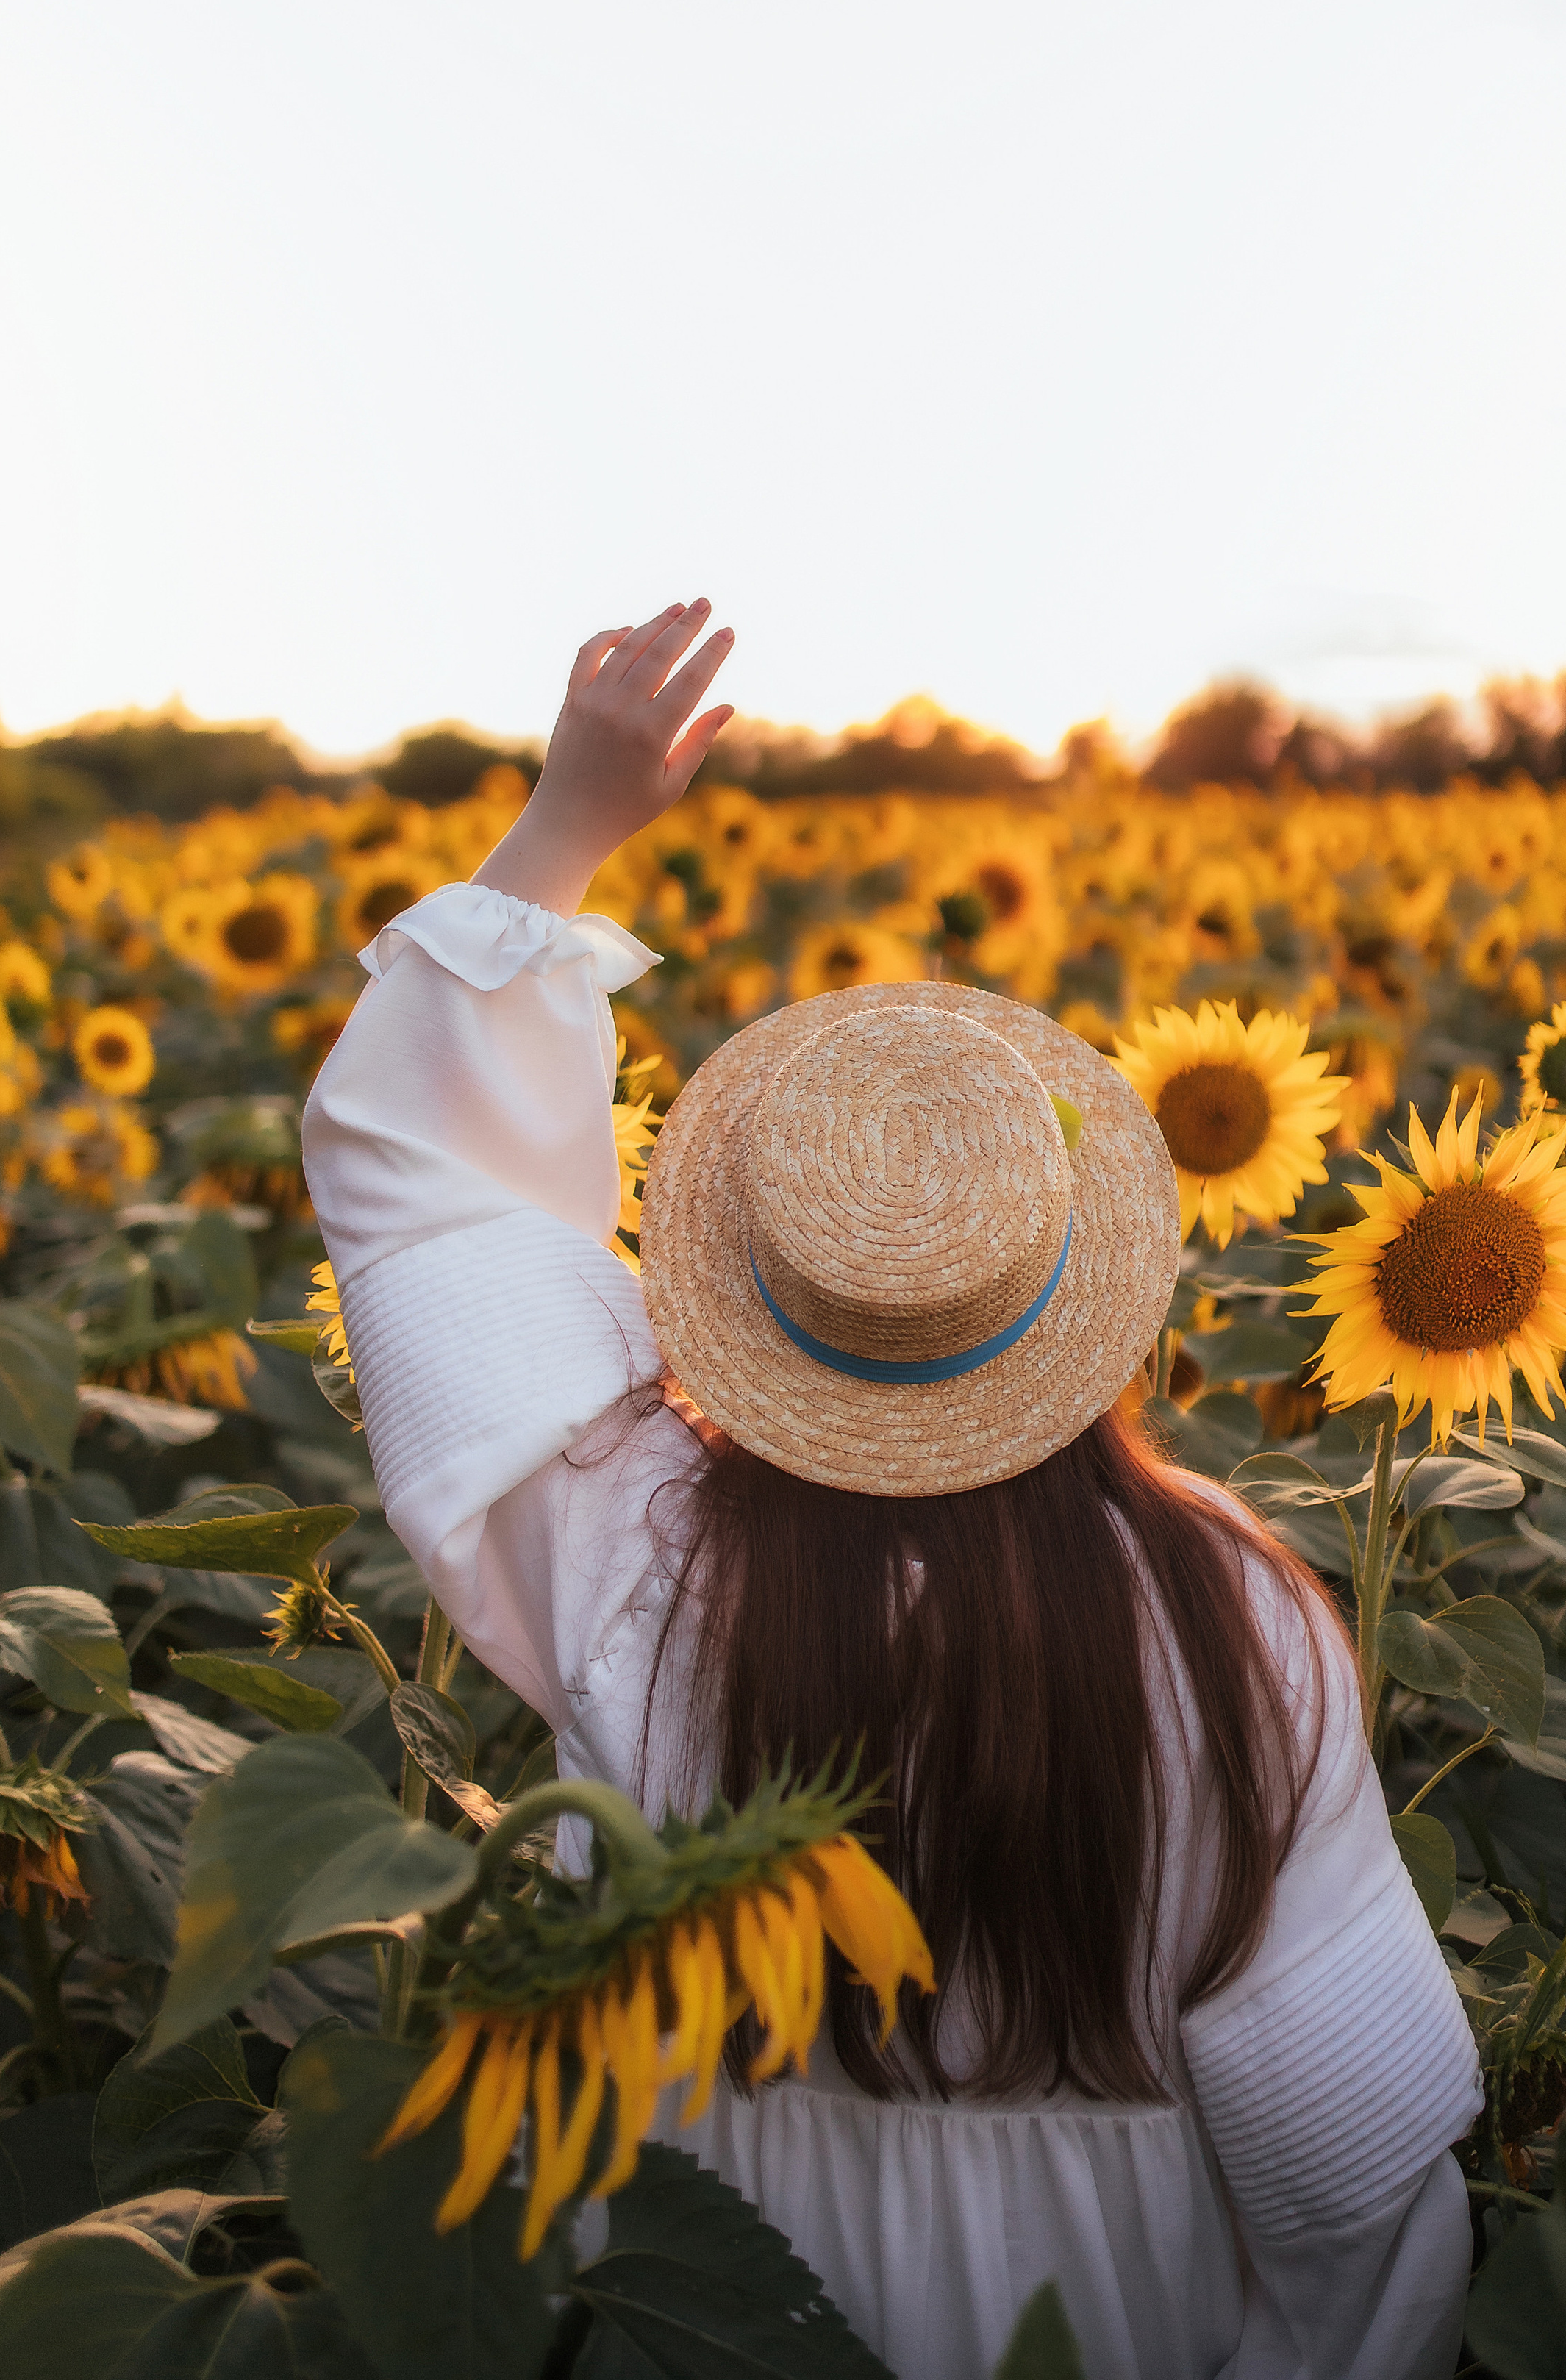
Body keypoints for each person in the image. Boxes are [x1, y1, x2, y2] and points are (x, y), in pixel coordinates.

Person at [301, 600, 1481, 2380]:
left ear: (747, 1294)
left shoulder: (638, 1567)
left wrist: (568, 821)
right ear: (1073, 1310)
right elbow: (1347, 2171)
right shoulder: (1232, 1611)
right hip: (1110, 2316)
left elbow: (417, 1191)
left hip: (717, 2294)